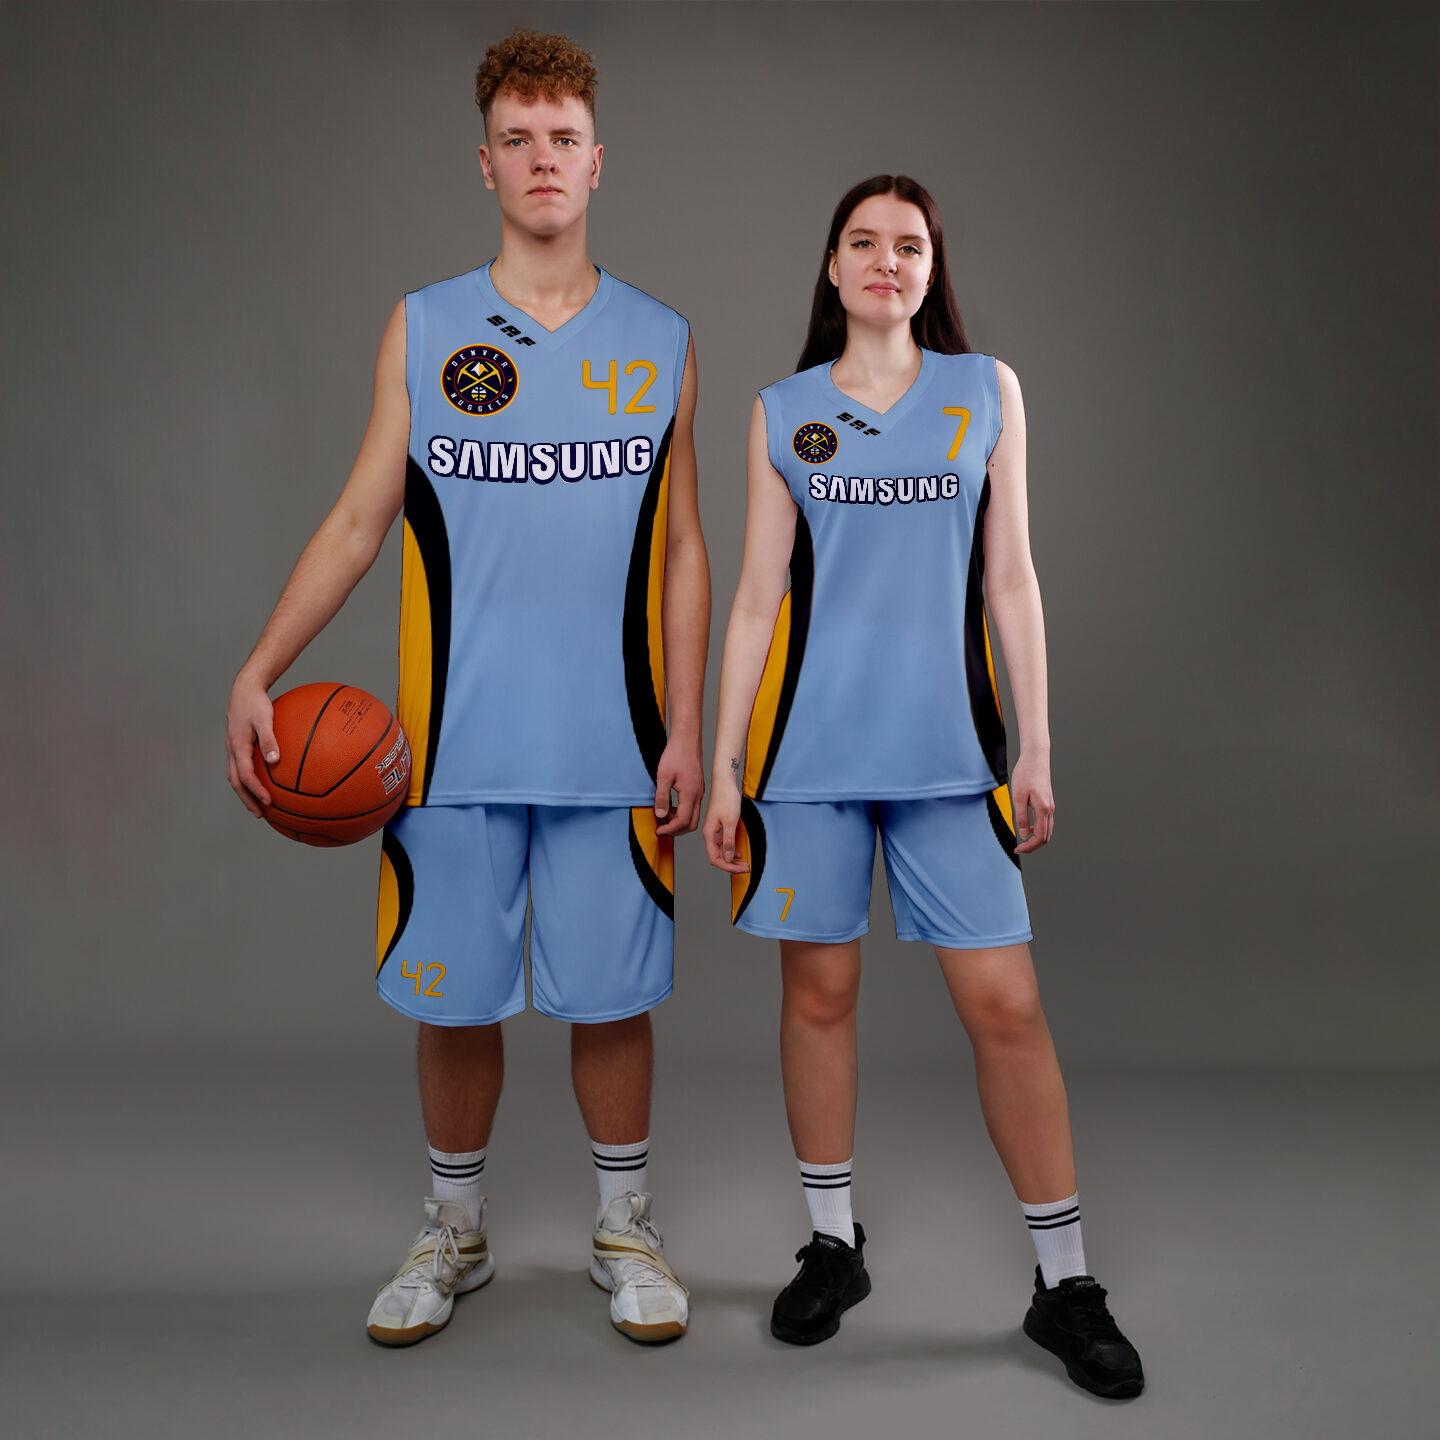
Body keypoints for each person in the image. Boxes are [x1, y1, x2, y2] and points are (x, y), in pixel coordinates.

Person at [225, 30, 708, 1348]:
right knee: (454, 1002)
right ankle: (455, 1231)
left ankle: (624, 1227)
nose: (542, 159)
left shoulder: (661, 338)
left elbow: (682, 550)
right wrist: (260, 669)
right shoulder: (427, 326)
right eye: (517, 138)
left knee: (612, 1000)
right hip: (444, 753)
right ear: (483, 162)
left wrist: (689, 727)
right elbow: (357, 521)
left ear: (598, 163)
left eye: (564, 139)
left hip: (615, 744)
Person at [702, 175, 1143, 1397]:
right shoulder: (784, 412)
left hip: (952, 761)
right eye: (864, 242)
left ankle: (1066, 1284)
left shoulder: (984, 390)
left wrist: (1035, 747)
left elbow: (1012, 579)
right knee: (821, 995)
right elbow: (756, 600)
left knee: (1006, 1006)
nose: (886, 260)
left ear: (931, 269)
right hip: (809, 765)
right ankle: (831, 1247)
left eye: (909, 244)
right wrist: (728, 765)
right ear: (832, 267)